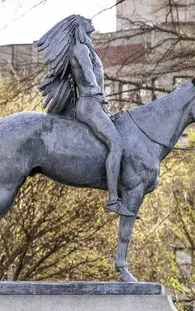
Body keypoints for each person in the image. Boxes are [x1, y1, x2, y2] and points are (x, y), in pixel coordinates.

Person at [36, 14, 136, 218]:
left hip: (97, 104)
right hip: (90, 105)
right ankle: (113, 200)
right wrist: (94, 88)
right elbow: (88, 73)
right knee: (116, 144)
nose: (91, 22)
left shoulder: (87, 48)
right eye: (86, 21)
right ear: (79, 26)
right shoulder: (80, 49)